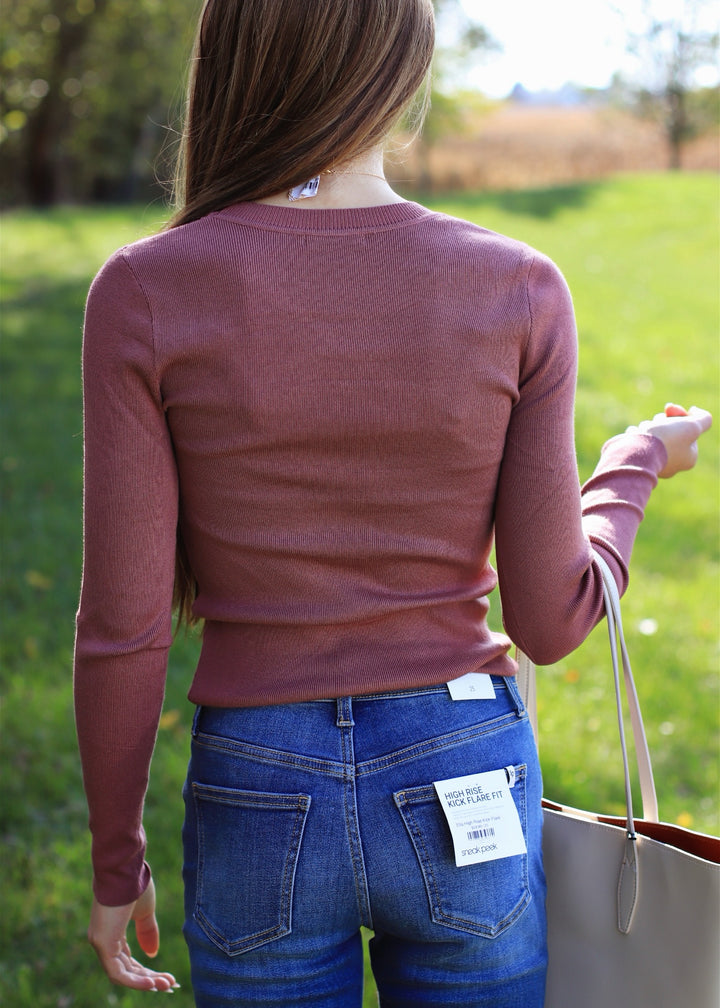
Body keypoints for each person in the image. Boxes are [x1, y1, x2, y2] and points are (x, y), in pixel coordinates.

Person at [73, 1, 712, 1005]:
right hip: (464, 764)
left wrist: (118, 863)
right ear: (401, 74)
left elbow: (123, 624)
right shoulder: (518, 286)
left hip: (259, 775)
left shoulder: (148, 290)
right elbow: (552, 617)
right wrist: (632, 460)